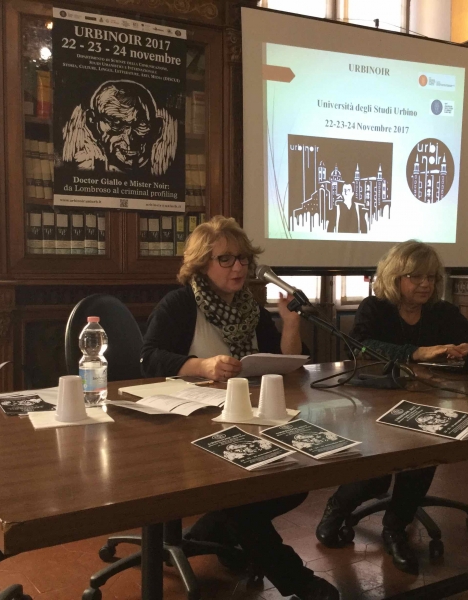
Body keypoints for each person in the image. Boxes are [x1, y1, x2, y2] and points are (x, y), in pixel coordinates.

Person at [141, 216, 338, 600]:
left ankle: (210, 533)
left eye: (244, 258)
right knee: (243, 500)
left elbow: (287, 364)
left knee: (292, 485)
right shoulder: (180, 304)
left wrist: (291, 326)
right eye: (226, 259)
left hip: (247, 422)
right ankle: (297, 581)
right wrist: (202, 365)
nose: (239, 267)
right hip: (188, 430)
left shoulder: (251, 308)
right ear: (202, 264)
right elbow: (148, 358)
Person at [315, 240, 468, 575]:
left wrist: (467, 348)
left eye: (431, 277)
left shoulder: (442, 311)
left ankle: (395, 528)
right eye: (416, 276)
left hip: (426, 402)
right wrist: (417, 352)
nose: (425, 284)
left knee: (424, 455)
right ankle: (337, 508)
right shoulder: (375, 307)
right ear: (394, 276)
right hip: (375, 404)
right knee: (376, 476)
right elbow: (362, 347)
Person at [62, 79, 164, 173]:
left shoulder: (160, 171)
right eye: (116, 124)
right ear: (92, 121)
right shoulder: (86, 166)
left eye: (141, 126)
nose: (129, 138)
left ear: (157, 129)